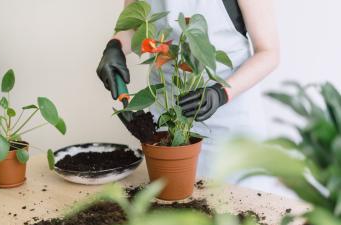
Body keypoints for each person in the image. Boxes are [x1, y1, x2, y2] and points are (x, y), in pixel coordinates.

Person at [97, 0, 279, 180]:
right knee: (170, 202)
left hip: (228, 119)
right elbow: (135, 24)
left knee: (236, 202)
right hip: (167, 113)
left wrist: (221, 93)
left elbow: (269, 52)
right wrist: (115, 46)